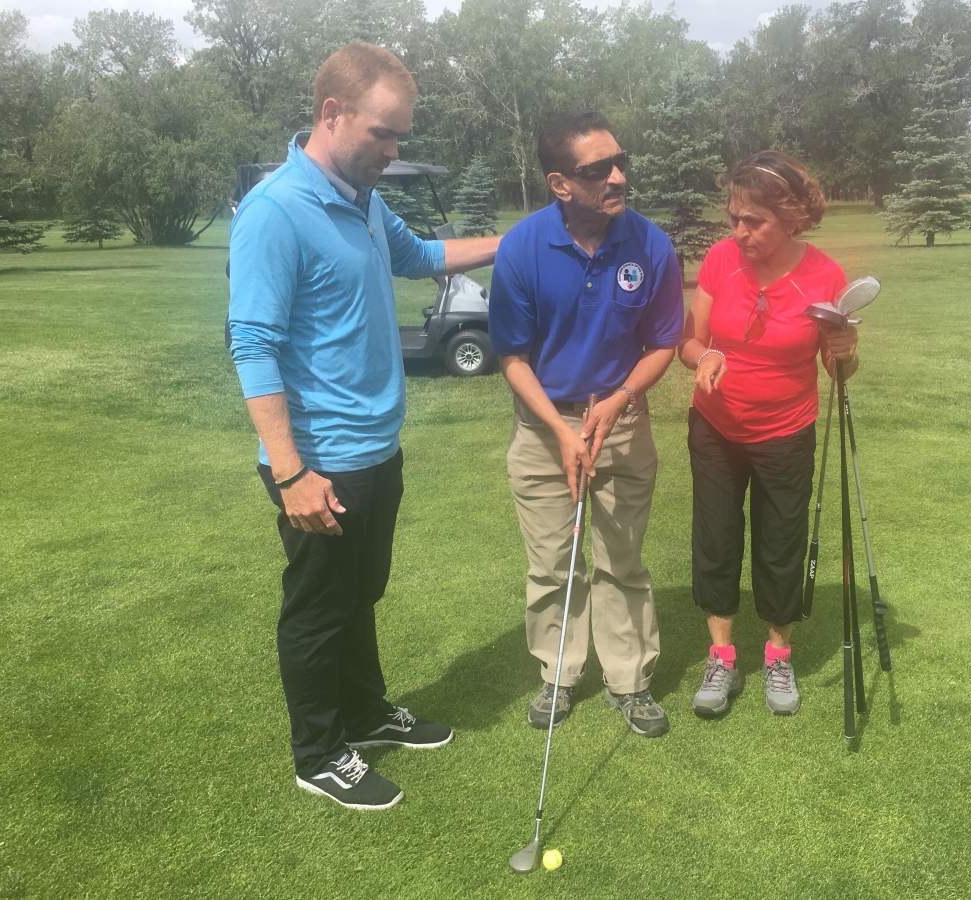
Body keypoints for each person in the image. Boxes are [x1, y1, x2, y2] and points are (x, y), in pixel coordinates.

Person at [227, 42, 500, 810]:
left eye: (400, 136)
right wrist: (290, 472)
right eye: (382, 133)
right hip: (317, 462)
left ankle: (366, 714)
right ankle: (317, 753)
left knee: (360, 596)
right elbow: (252, 343)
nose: (393, 149)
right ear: (331, 114)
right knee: (317, 612)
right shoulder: (275, 212)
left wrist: (519, 244)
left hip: (376, 449)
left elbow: (423, 256)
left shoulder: (365, 203)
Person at [489, 111, 684, 738]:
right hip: (545, 427)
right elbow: (512, 358)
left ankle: (630, 682)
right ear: (560, 183)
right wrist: (562, 428)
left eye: (621, 162)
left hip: (620, 422)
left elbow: (661, 344)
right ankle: (559, 674)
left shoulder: (650, 244)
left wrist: (618, 399)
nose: (618, 176)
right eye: (598, 169)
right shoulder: (522, 246)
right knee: (553, 561)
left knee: (621, 559)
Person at [677, 150, 858, 718]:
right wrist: (703, 355)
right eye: (734, 218)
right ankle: (723, 655)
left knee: (781, 543)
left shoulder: (824, 275)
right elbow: (689, 341)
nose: (739, 231)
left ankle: (778, 653)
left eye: (753, 221)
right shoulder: (719, 260)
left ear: (790, 218)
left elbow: (838, 370)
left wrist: (847, 352)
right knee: (716, 537)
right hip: (716, 426)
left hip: (786, 431)